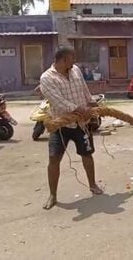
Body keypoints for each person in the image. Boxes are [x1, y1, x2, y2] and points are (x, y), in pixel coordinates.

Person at [39, 45, 103, 210]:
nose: (74, 60)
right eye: (72, 57)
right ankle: (53, 195)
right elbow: (58, 101)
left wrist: (91, 102)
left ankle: (93, 184)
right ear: (64, 59)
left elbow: (84, 89)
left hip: (81, 124)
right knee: (54, 159)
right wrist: (80, 109)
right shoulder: (47, 78)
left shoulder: (75, 71)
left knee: (87, 154)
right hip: (60, 125)